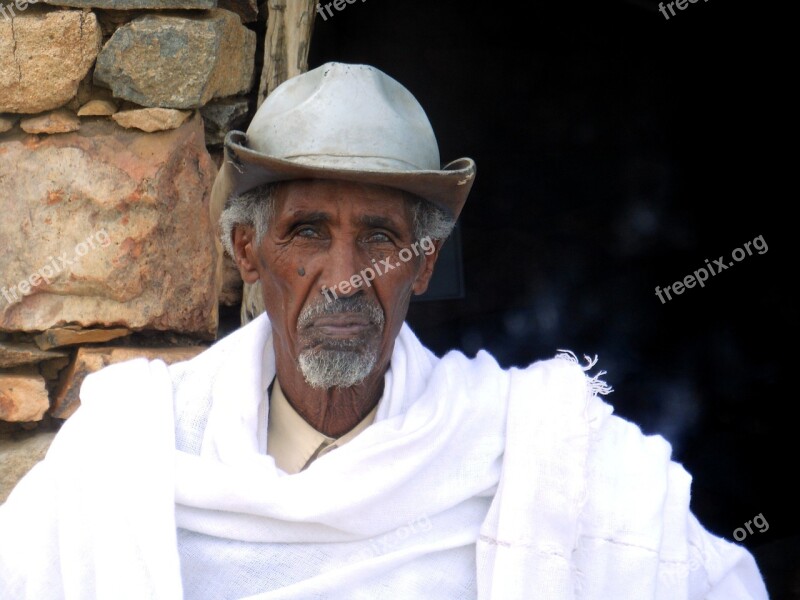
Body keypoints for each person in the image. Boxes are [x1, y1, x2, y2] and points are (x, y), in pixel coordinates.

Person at [0, 62, 769, 599]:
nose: (345, 278)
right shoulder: (131, 455)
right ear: (248, 254)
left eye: (379, 238)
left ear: (423, 265)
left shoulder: (535, 452)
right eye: (306, 231)